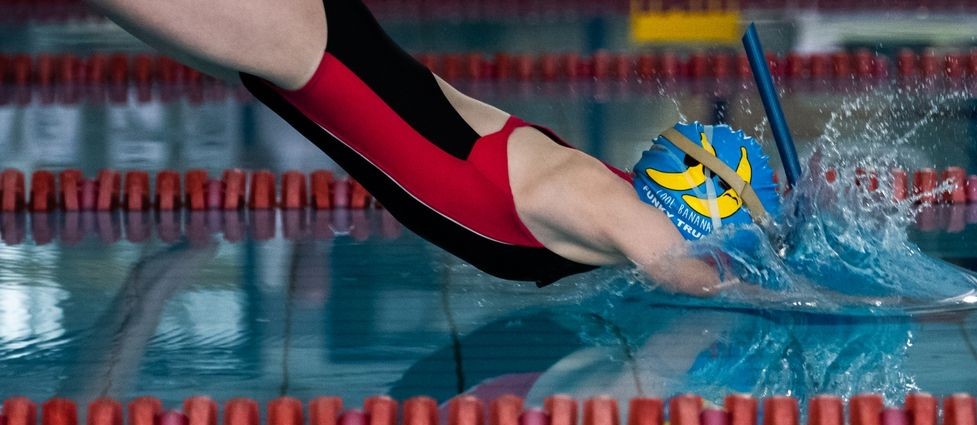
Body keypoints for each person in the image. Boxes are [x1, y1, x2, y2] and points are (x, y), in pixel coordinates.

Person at [88, 0, 779, 294]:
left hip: (317, 49)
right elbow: (692, 276)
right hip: (309, 52)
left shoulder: (606, 190)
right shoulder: (606, 204)